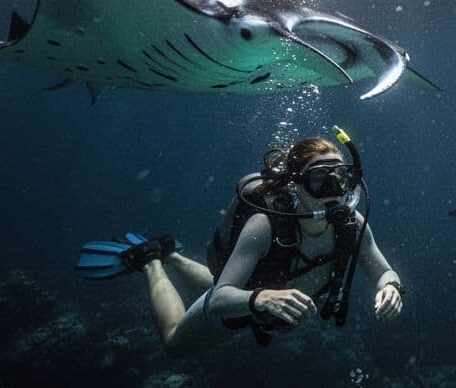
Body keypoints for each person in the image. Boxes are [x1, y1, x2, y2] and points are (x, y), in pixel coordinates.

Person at [75, 130, 404, 355]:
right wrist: (260, 299)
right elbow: (221, 298)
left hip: (250, 295)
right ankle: (151, 261)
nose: (333, 190)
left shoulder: (352, 225)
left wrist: (390, 287)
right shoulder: (264, 225)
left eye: (341, 178)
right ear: (295, 185)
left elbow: (384, 271)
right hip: (241, 309)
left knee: (222, 281)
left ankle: (171, 254)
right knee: (174, 344)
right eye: (320, 179)